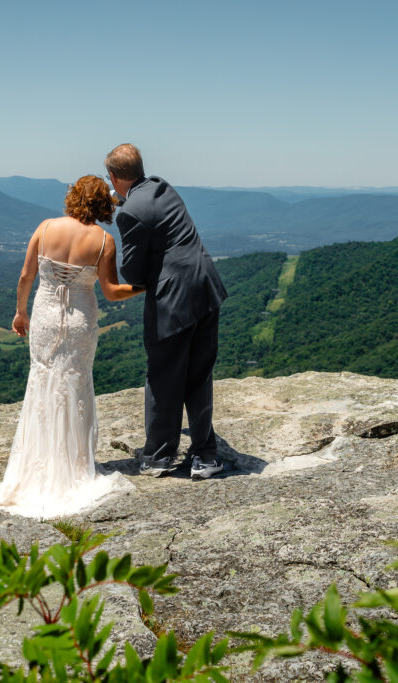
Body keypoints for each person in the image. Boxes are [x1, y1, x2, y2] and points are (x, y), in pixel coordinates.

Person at [0, 175, 142, 519]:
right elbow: (112, 291)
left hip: (44, 318)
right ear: (103, 204)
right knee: (74, 384)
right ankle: (74, 468)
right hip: (79, 322)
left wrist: (20, 313)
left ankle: (37, 466)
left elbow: (26, 276)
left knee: (42, 382)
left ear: (74, 197)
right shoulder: (104, 241)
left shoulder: (46, 228)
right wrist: (144, 286)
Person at [105, 143, 228, 480]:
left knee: (163, 377)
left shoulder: (129, 213)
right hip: (206, 289)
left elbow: (131, 272)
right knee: (198, 375)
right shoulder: (163, 187)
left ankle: (159, 455)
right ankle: (205, 455)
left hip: (173, 301)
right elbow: (147, 207)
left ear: (114, 177)